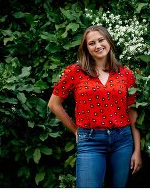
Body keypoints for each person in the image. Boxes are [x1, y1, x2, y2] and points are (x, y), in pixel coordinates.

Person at [48, 25, 143, 188]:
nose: (98, 46)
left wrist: (137, 150)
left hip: (122, 140)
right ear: (86, 48)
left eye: (101, 40)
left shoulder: (126, 74)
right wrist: (75, 130)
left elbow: (132, 114)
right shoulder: (74, 72)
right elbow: (54, 104)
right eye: (92, 43)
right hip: (90, 141)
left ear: (109, 42)